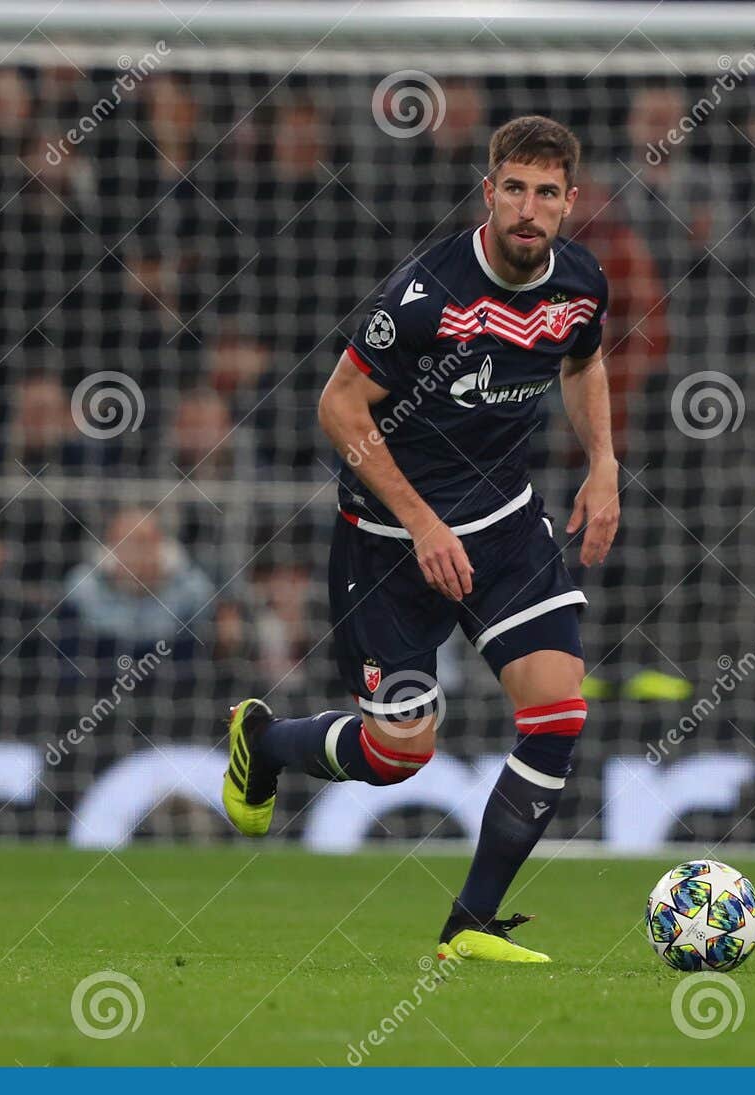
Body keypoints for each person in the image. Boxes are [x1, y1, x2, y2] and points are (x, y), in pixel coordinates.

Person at [220, 116, 618, 965]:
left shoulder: (580, 283)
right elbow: (338, 405)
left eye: (547, 193)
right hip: (388, 545)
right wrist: (422, 521)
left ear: (568, 203)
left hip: (506, 527)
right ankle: (266, 741)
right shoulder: (427, 293)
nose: (529, 207)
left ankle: (469, 925)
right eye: (514, 187)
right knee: (398, 753)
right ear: (488, 191)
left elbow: (583, 361)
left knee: (557, 711)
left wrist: (605, 462)